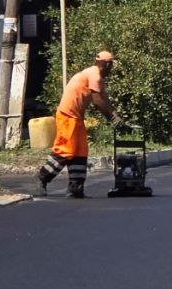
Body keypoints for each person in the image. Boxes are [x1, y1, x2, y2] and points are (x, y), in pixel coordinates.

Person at [33, 50, 121, 198]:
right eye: (110, 66)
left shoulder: (94, 76)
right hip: (68, 116)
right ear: (106, 64)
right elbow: (98, 101)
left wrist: (116, 115)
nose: (111, 70)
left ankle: (76, 188)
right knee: (65, 150)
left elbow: (104, 99)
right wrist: (113, 117)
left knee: (80, 151)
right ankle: (42, 178)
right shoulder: (95, 75)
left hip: (76, 117)